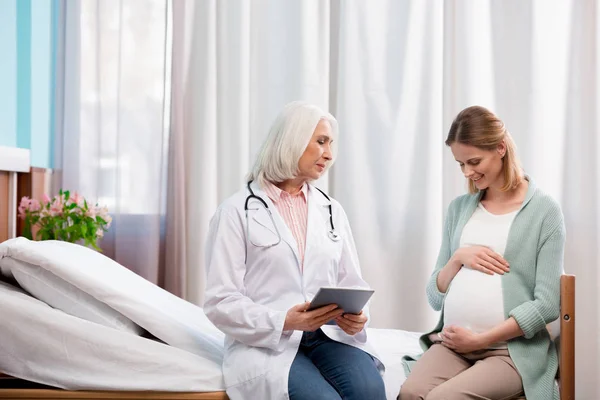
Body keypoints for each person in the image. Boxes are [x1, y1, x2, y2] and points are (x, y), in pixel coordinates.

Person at [204, 101, 386, 400]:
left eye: (331, 144)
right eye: (320, 142)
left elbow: (351, 281)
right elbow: (220, 301)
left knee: (369, 390)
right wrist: (285, 320)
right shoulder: (236, 211)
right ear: (292, 140)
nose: (329, 154)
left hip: (327, 335)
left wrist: (358, 315)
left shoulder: (331, 209)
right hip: (267, 341)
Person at [399, 106, 565, 400]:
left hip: (511, 352)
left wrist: (480, 339)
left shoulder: (544, 212)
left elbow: (548, 303)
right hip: (454, 346)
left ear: (500, 148)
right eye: (460, 164)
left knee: (442, 398)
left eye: (474, 161)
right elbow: (434, 295)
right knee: (411, 392)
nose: (467, 172)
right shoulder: (460, 209)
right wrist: (457, 258)